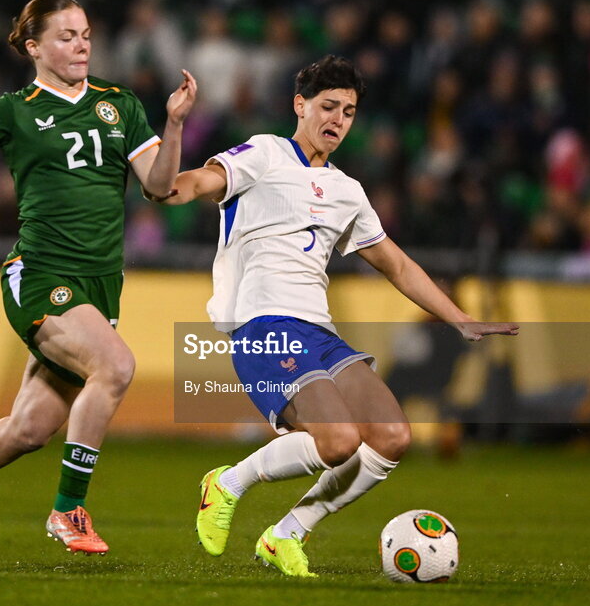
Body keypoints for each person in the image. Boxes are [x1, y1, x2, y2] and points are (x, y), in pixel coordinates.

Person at [158, 56, 517, 577]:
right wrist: (174, 130)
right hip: (262, 325)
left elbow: (393, 261)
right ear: (300, 105)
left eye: (348, 111)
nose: (338, 120)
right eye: (328, 106)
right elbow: (187, 185)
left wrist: (457, 317)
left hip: (319, 332)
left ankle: (286, 534)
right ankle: (227, 483)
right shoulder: (264, 153)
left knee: (392, 437)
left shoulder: (347, 190)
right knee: (339, 440)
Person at [0, 0, 197, 561]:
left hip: (101, 282)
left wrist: (174, 124)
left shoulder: (119, 104)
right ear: (34, 47)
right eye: (66, 36)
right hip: (39, 273)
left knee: (30, 429)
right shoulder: (11, 109)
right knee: (116, 365)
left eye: (85, 33)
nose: (81, 44)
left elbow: (159, 188)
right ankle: (67, 510)